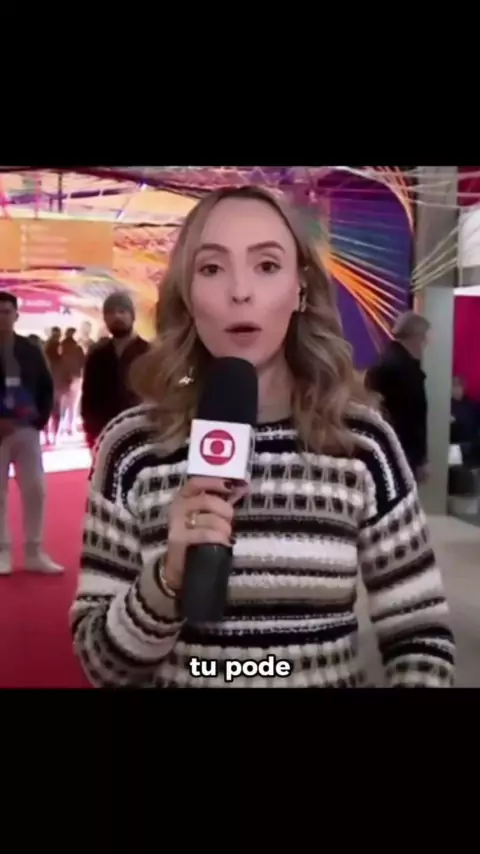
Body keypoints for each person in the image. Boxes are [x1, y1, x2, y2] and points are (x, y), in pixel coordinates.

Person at [70, 186, 455, 688]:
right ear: (186, 295)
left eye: (267, 265)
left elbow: (421, 635)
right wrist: (165, 582)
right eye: (212, 268)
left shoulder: (361, 442)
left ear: (300, 290)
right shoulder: (130, 449)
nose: (240, 292)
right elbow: (100, 666)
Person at [0, 292, 63, 575]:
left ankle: (34, 551)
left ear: (16, 315)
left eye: (7, 312)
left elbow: (46, 387)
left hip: (27, 430)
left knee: (35, 490)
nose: (2, 317)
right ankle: (2, 553)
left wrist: (37, 421)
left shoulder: (31, 350)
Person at [365, 311, 430, 483]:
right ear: (416, 337)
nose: (425, 344)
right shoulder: (403, 370)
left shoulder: (388, 361)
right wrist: (420, 458)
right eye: (424, 338)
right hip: (401, 450)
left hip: (388, 448)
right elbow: (413, 418)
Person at [80, 292, 149, 450]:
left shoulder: (149, 352)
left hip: (141, 432)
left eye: (122, 311)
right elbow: (89, 397)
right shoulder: (97, 355)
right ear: (105, 319)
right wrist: (90, 433)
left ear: (132, 316)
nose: (116, 316)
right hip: (105, 433)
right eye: (110, 312)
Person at [450, 375, 480, 467]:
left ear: (464, 388)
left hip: (472, 447)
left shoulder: (473, 406)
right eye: (454, 385)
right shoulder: (446, 406)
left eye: (459, 385)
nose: (457, 389)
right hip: (453, 449)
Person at [60, 328, 85, 436]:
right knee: (73, 405)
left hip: (62, 378)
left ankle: (60, 428)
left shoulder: (60, 348)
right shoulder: (77, 349)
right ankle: (71, 427)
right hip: (76, 377)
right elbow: (83, 363)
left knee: (62, 405)